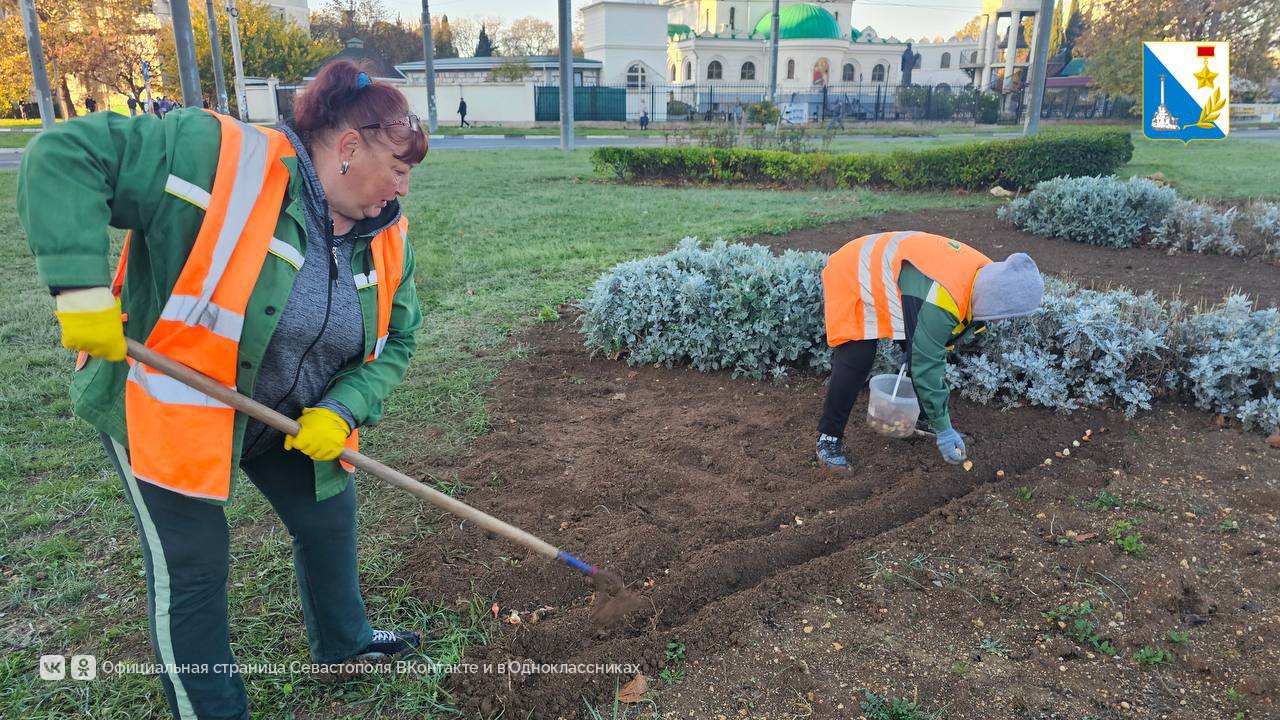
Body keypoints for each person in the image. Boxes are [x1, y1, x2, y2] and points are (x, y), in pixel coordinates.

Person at [17, 59, 428, 719]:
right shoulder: (218, 161)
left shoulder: (387, 236)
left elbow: (398, 341)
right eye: (400, 171)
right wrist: (80, 287)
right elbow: (64, 154)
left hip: (280, 416)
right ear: (350, 147)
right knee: (195, 566)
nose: (402, 190)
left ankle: (344, 643)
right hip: (169, 405)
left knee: (328, 515)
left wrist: (343, 406)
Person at [815, 232, 1044, 469]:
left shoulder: (990, 279)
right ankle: (828, 437)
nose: (1002, 321)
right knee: (857, 356)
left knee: (917, 349)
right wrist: (945, 429)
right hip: (855, 270)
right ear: (997, 300)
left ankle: (923, 419)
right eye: (1005, 314)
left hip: (904, 277)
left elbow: (931, 347)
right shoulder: (946, 296)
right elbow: (926, 363)